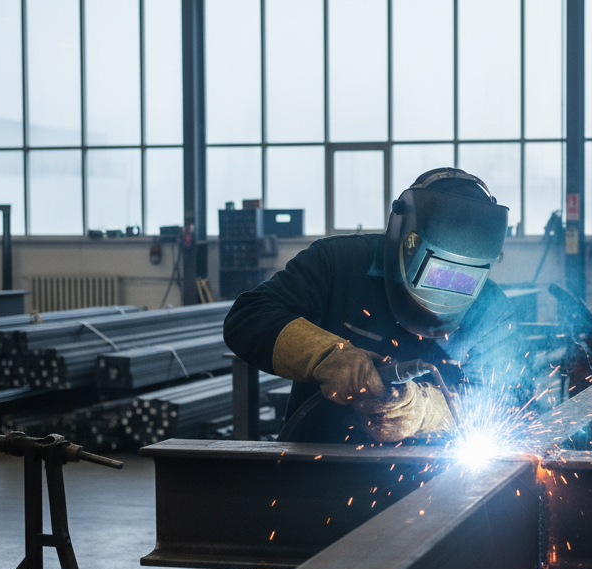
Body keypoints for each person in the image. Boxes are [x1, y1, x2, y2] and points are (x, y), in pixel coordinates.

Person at [223, 168, 523, 444]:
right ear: (406, 237)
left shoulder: (491, 311)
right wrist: (326, 357)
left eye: (463, 279)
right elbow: (248, 316)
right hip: (316, 473)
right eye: (437, 272)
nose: (445, 289)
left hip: (435, 489)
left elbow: (512, 403)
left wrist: (429, 411)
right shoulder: (338, 264)